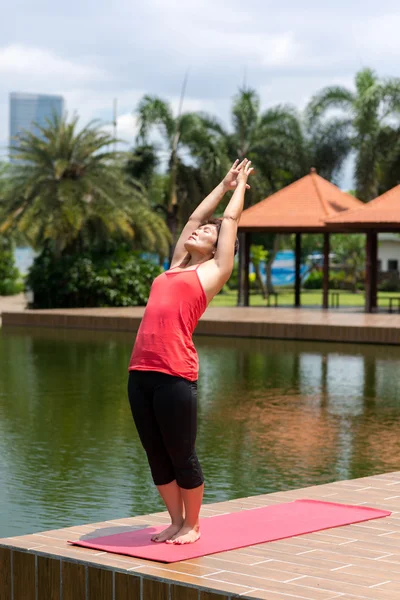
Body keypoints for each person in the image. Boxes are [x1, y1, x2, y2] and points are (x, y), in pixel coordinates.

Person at [127, 159, 254, 545]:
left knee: (181, 453)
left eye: (206, 232)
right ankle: (175, 520)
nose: (199, 230)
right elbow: (197, 215)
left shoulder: (213, 272)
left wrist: (239, 190)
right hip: (140, 371)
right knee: (155, 453)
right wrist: (222, 183)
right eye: (198, 230)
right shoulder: (175, 266)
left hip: (175, 374)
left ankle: (194, 525)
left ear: (218, 247)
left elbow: (227, 223)